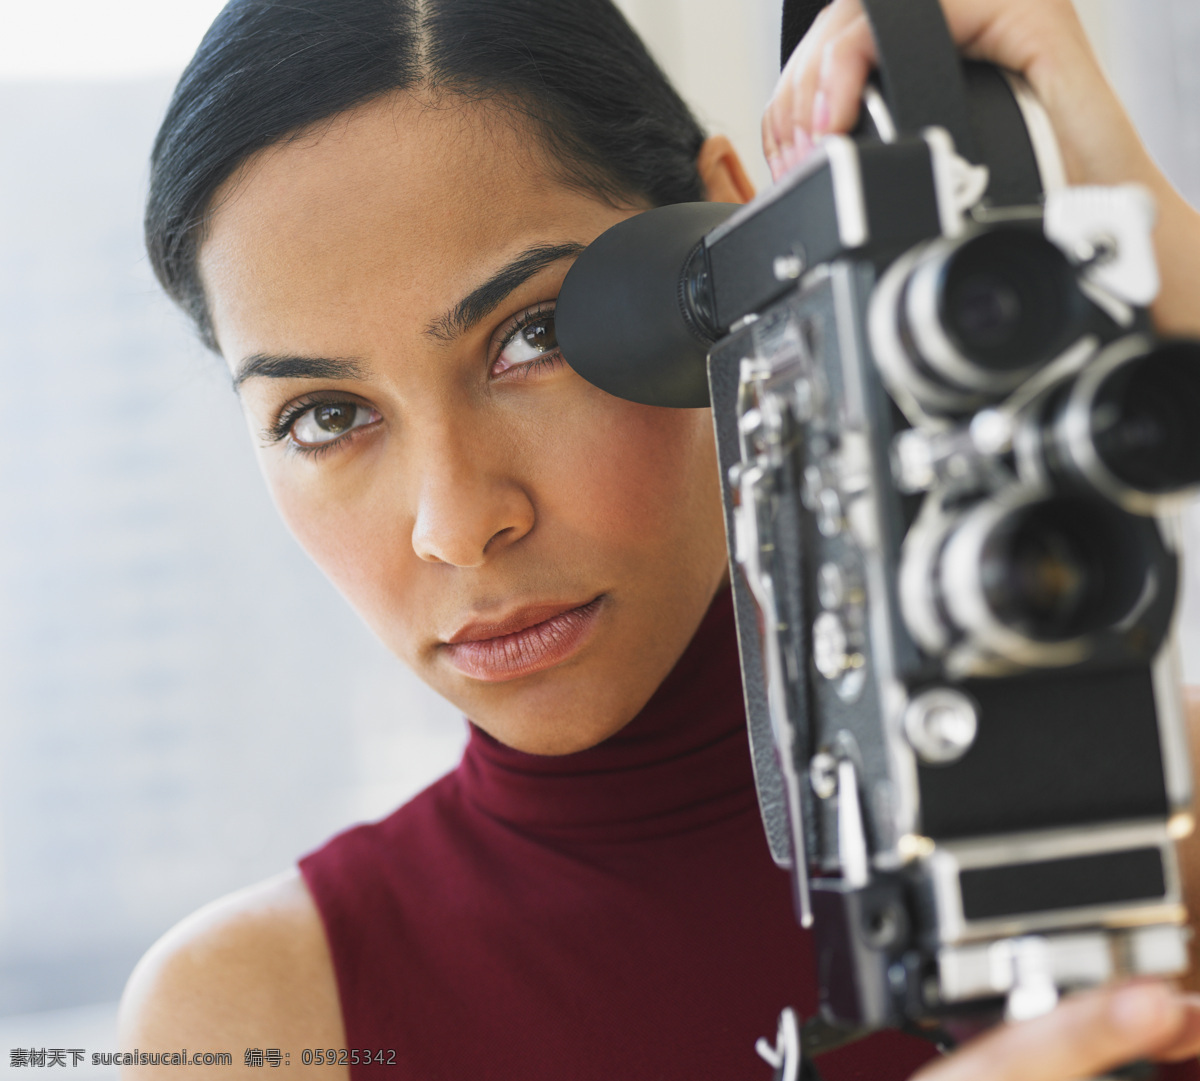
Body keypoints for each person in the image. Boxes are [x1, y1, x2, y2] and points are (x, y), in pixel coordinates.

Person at [120, 0, 1200, 1077]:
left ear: (737, 242)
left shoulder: (1164, 799)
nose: (458, 524)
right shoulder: (247, 1018)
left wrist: (1168, 272)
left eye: (532, 336)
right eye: (324, 416)